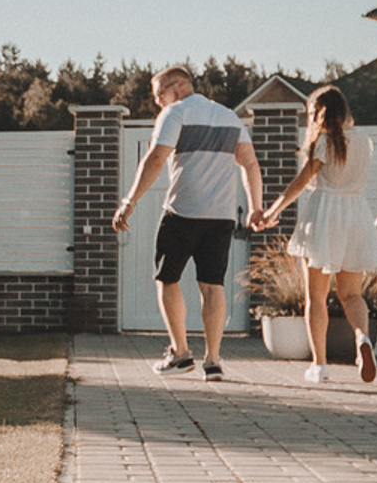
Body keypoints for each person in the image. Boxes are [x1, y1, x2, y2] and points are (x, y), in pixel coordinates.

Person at [111, 66, 264, 380]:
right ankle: (213, 361)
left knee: (167, 279)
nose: (158, 104)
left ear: (178, 85)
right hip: (220, 216)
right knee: (213, 285)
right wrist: (256, 207)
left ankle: (180, 354)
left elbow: (156, 158)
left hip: (182, 213)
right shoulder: (229, 117)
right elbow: (250, 164)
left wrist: (129, 201)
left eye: (159, 96)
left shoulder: (175, 113)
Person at [259, 83, 377, 386]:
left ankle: (320, 365)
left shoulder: (324, 142)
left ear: (318, 113)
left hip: (324, 217)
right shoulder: (364, 142)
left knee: (316, 296)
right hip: (355, 216)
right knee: (352, 294)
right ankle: (363, 338)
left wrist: (272, 211)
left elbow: (300, 182)